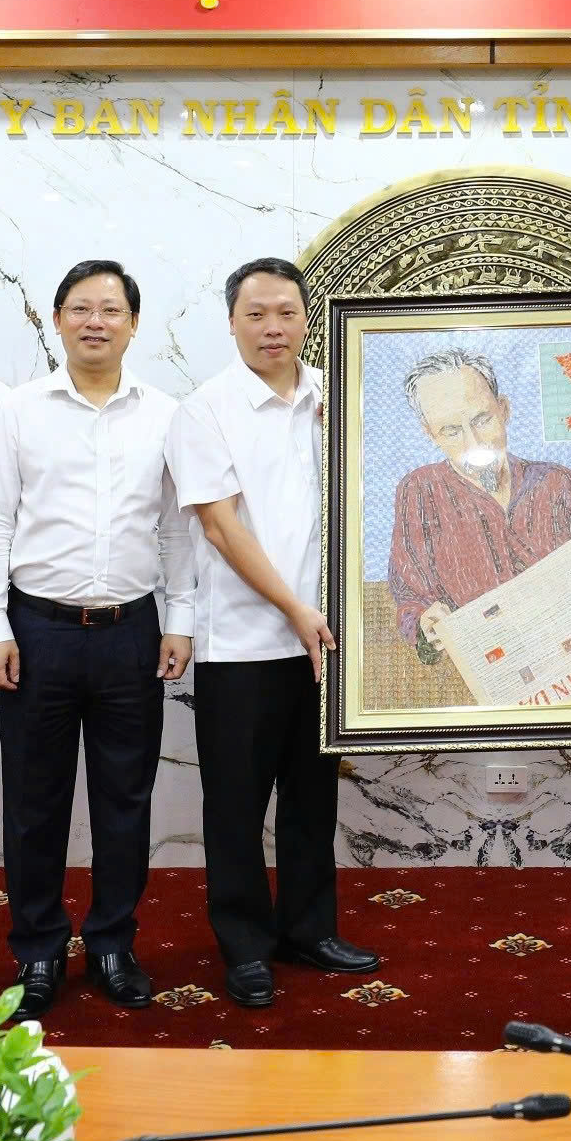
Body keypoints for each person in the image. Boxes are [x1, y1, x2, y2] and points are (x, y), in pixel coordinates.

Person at [0, 259, 195, 1024]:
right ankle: (36, 949)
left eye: (110, 309)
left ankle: (112, 944)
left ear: (133, 324)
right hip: (37, 630)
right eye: (80, 308)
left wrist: (180, 616)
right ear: (57, 318)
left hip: (131, 629)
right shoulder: (18, 410)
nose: (95, 321)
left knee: (125, 800)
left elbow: (177, 528)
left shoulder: (165, 414)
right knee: (33, 803)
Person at [167, 257, 379, 1007]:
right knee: (235, 804)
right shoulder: (205, 410)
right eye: (255, 314)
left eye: (286, 312)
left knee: (311, 799)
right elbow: (221, 528)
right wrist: (294, 607)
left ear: (306, 318)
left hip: (328, 640)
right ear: (231, 322)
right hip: (243, 643)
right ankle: (245, 946)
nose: (272, 328)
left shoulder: (337, 394)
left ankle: (309, 929)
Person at [388, 346, 571, 698]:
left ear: (504, 409)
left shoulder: (556, 482)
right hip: (507, 686)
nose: (474, 443)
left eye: (482, 420)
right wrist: (425, 624)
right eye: (452, 431)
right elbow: (410, 596)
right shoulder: (419, 491)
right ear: (431, 434)